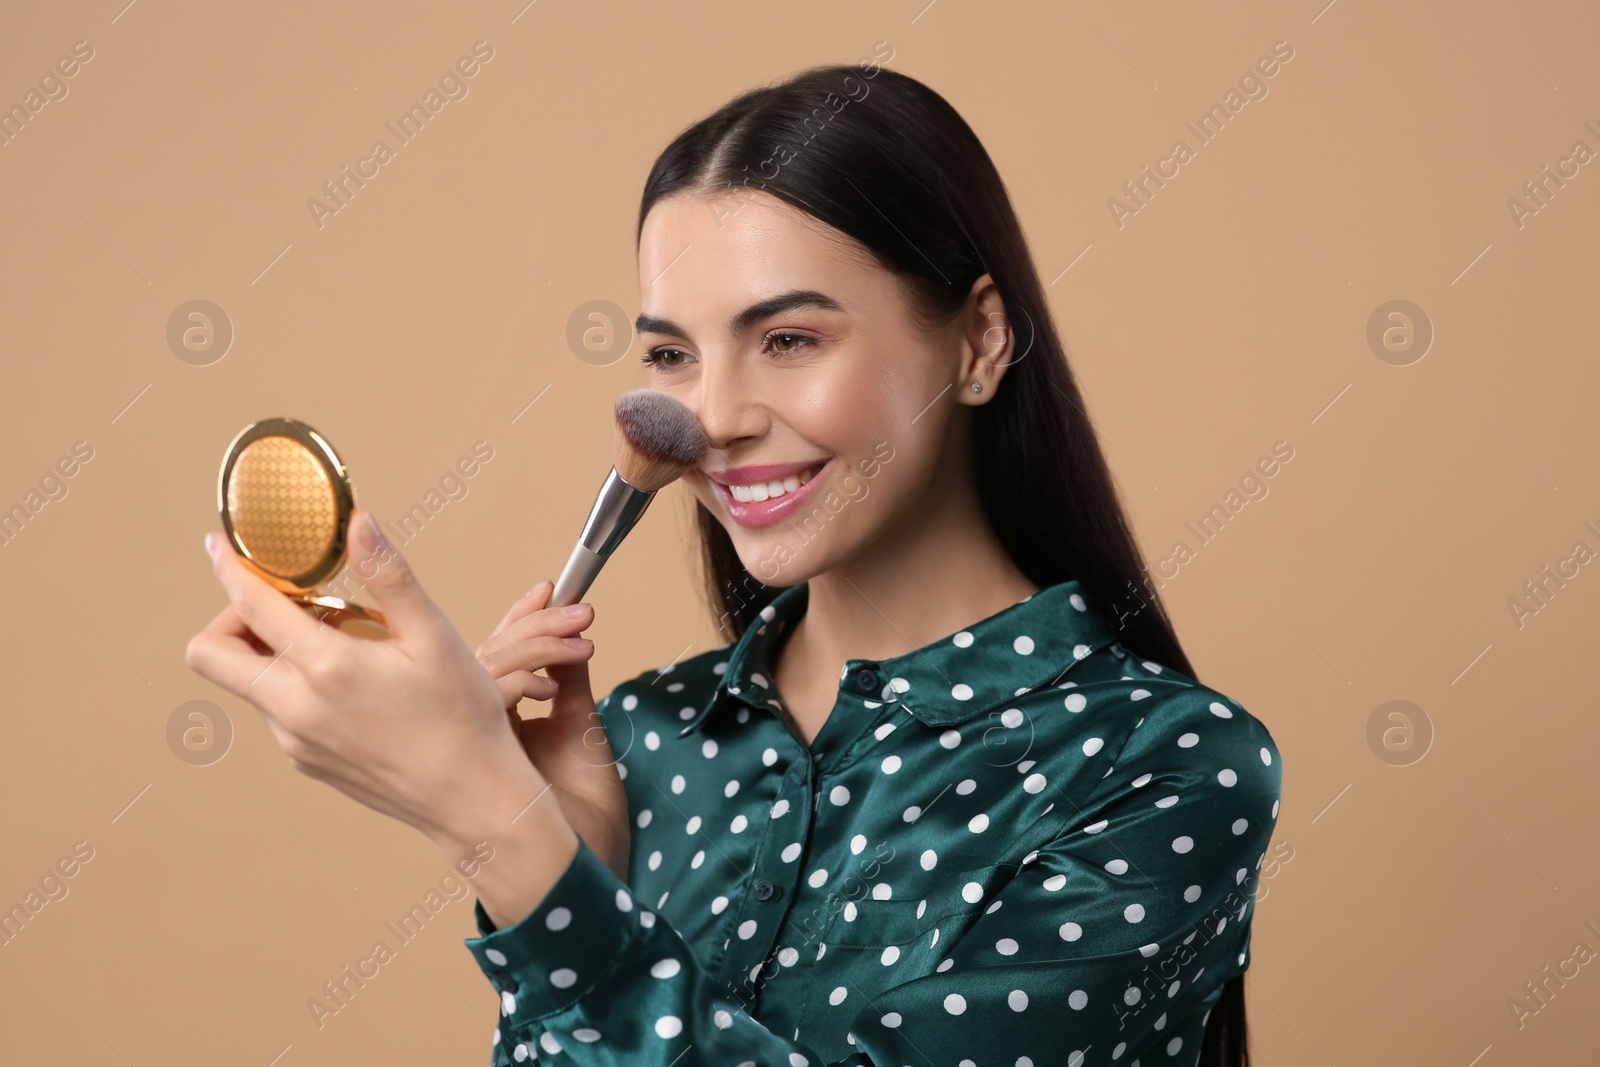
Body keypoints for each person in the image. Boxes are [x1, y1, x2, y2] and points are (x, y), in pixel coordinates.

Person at [187, 62, 1282, 1067]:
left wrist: (505, 842)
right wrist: (577, 866)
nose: (709, 416)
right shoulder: (640, 742)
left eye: (789, 339)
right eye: (672, 354)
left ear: (979, 340)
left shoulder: (1166, 766)